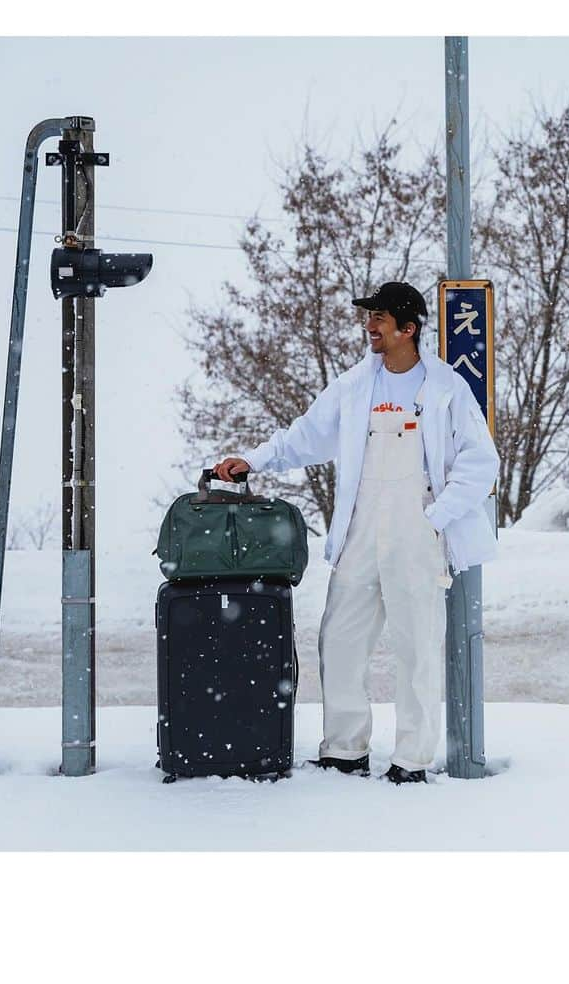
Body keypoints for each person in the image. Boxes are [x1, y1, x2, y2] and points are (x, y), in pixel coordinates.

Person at [213, 281, 499, 784]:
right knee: (341, 639)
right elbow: (303, 437)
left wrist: (438, 516)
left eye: (380, 320)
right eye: (369, 318)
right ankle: (344, 749)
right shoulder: (352, 387)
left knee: (416, 647)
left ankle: (412, 758)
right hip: (361, 529)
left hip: (417, 530)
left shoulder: (446, 389)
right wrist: (253, 459)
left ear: (407, 329)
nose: (370, 328)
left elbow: (481, 461)